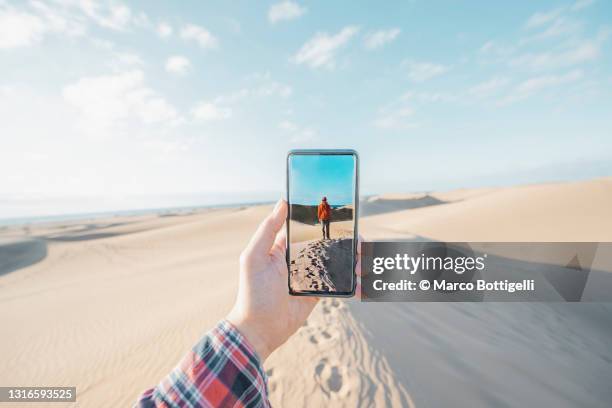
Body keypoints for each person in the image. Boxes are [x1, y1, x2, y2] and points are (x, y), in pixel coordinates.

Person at [135, 199, 361, 407]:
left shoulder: (324, 206)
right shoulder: (326, 207)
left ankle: (325, 235)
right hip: (245, 346)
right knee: (326, 231)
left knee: (328, 233)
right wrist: (255, 330)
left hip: (241, 349)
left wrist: (252, 330)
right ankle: (325, 235)